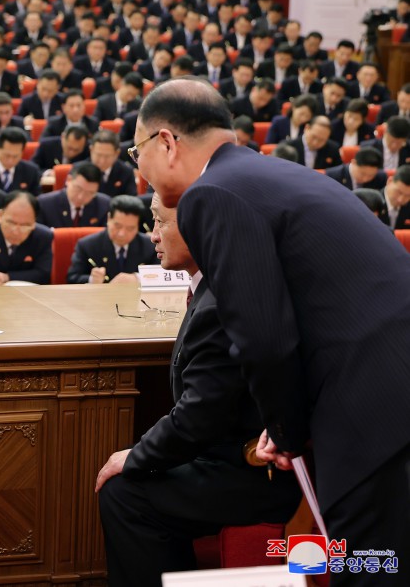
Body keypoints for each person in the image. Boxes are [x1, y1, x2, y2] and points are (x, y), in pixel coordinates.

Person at [132, 77, 410, 587]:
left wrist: (285, 431)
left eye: (137, 152)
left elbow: (263, 337)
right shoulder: (265, 173)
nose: (140, 168)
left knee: (369, 565)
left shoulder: (210, 193)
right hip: (389, 379)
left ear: (166, 142)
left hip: (370, 401)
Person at [95, 192, 302, 587]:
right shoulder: (218, 284)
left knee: (124, 493)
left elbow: (200, 417)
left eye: (161, 221)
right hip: (233, 452)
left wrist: (137, 457)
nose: (153, 235)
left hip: (257, 471)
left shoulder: (221, 300)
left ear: (199, 227)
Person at [66, 194, 157, 284]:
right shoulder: (87, 245)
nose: (122, 234)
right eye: (118, 226)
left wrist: (137, 278)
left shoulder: (150, 246)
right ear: (109, 219)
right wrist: (92, 280)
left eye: (130, 228)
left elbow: (161, 275)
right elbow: (72, 278)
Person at [37, 162, 109, 228]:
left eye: (90, 193)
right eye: (78, 189)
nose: (81, 197)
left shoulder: (104, 206)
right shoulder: (44, 204)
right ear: (68, 180)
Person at [382, 165, 410, 230]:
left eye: (408, 195)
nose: (401, 199)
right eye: (398, 192)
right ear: (389, 181)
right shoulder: (369, 202)